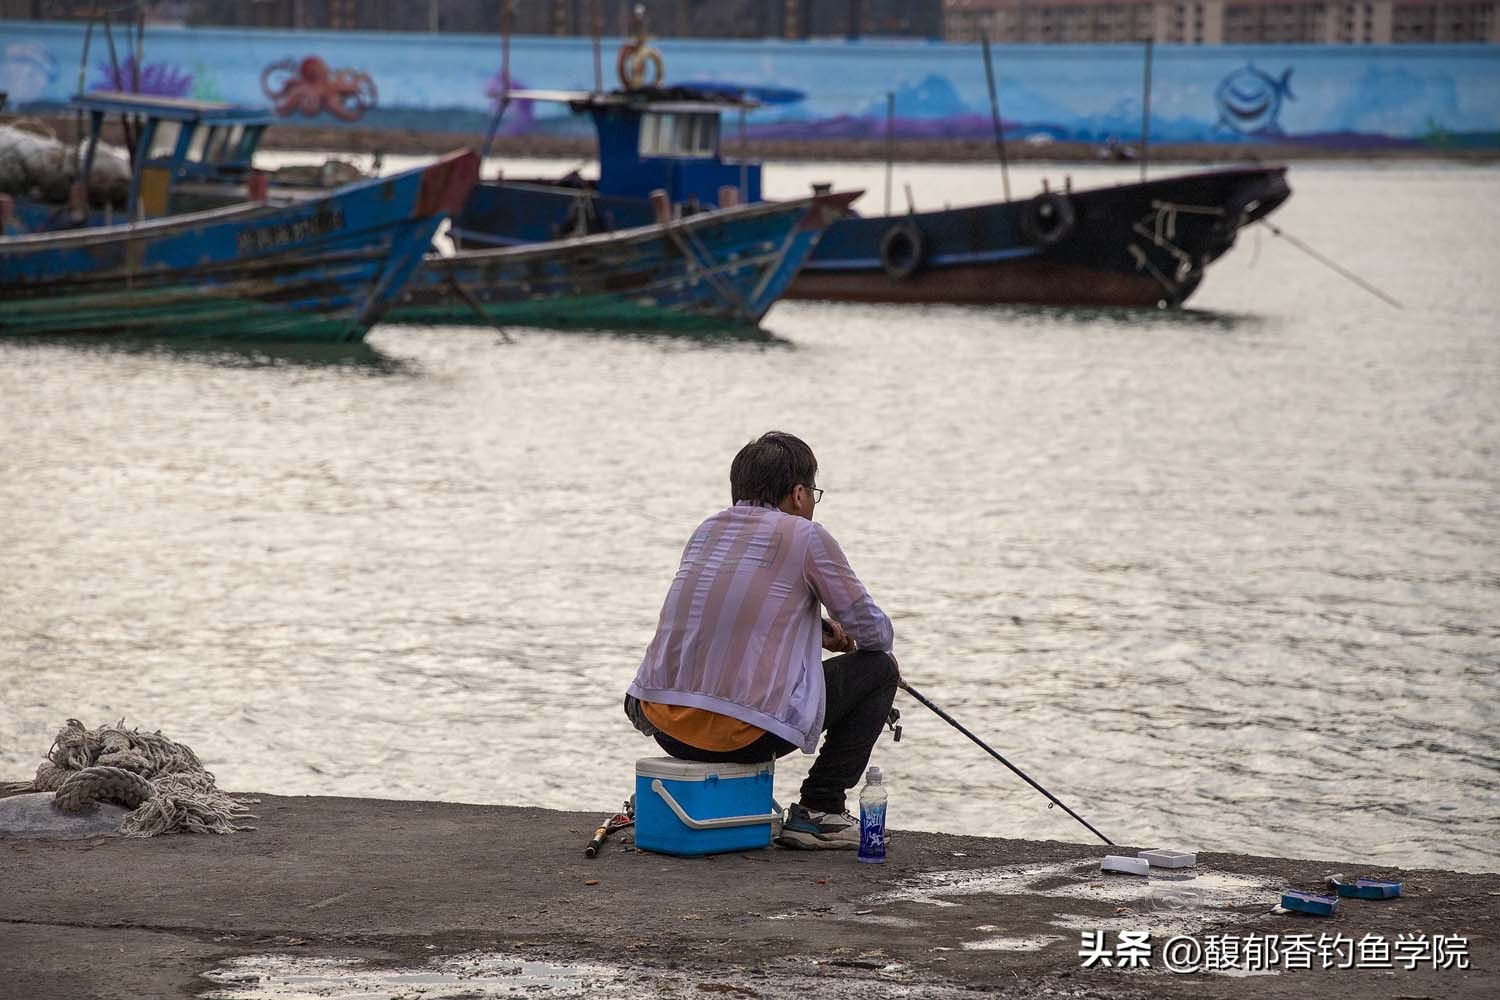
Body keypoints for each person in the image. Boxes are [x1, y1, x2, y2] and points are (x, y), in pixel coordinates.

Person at [625, 431, 898, 849]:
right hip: (741, 735)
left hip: (664, 722)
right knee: (880, 669)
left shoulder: (707, 530)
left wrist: (816, 629)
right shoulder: (807, 537)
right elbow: (874, 633)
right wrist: (846, 636)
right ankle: (818, 809)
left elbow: (733, 613)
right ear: (799, 493)